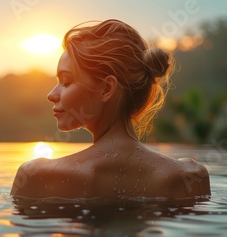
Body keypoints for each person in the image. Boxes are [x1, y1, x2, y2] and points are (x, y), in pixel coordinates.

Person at [11, 19, 210, 199]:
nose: (51, 95)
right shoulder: (189, 176)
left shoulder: (39, 176)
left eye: (66, 82)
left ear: (107, 88)